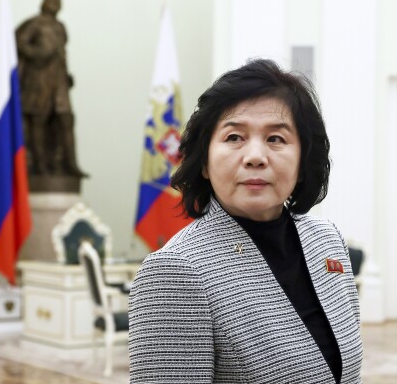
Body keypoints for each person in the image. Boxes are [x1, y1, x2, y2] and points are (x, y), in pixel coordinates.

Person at [129, 59, 362, 383]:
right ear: (206, 162)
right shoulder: (175, 270)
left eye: (276, 139)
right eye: (235, 137)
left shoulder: (326, 240)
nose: (255, 156)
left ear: (302, 160)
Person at [16, 0, 87, 177]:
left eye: (58, 1)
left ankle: (70, 163)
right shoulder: (33, 23)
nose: (54, 4)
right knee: (38, 121)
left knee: (66, 119)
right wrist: (39, 54)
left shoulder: (61, 27)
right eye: (51, 0)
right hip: (39, 80)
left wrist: (66, 75)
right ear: (43, 3)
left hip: (59, 82)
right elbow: (19, 43)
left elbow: (61, 55)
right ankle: (40, 165)